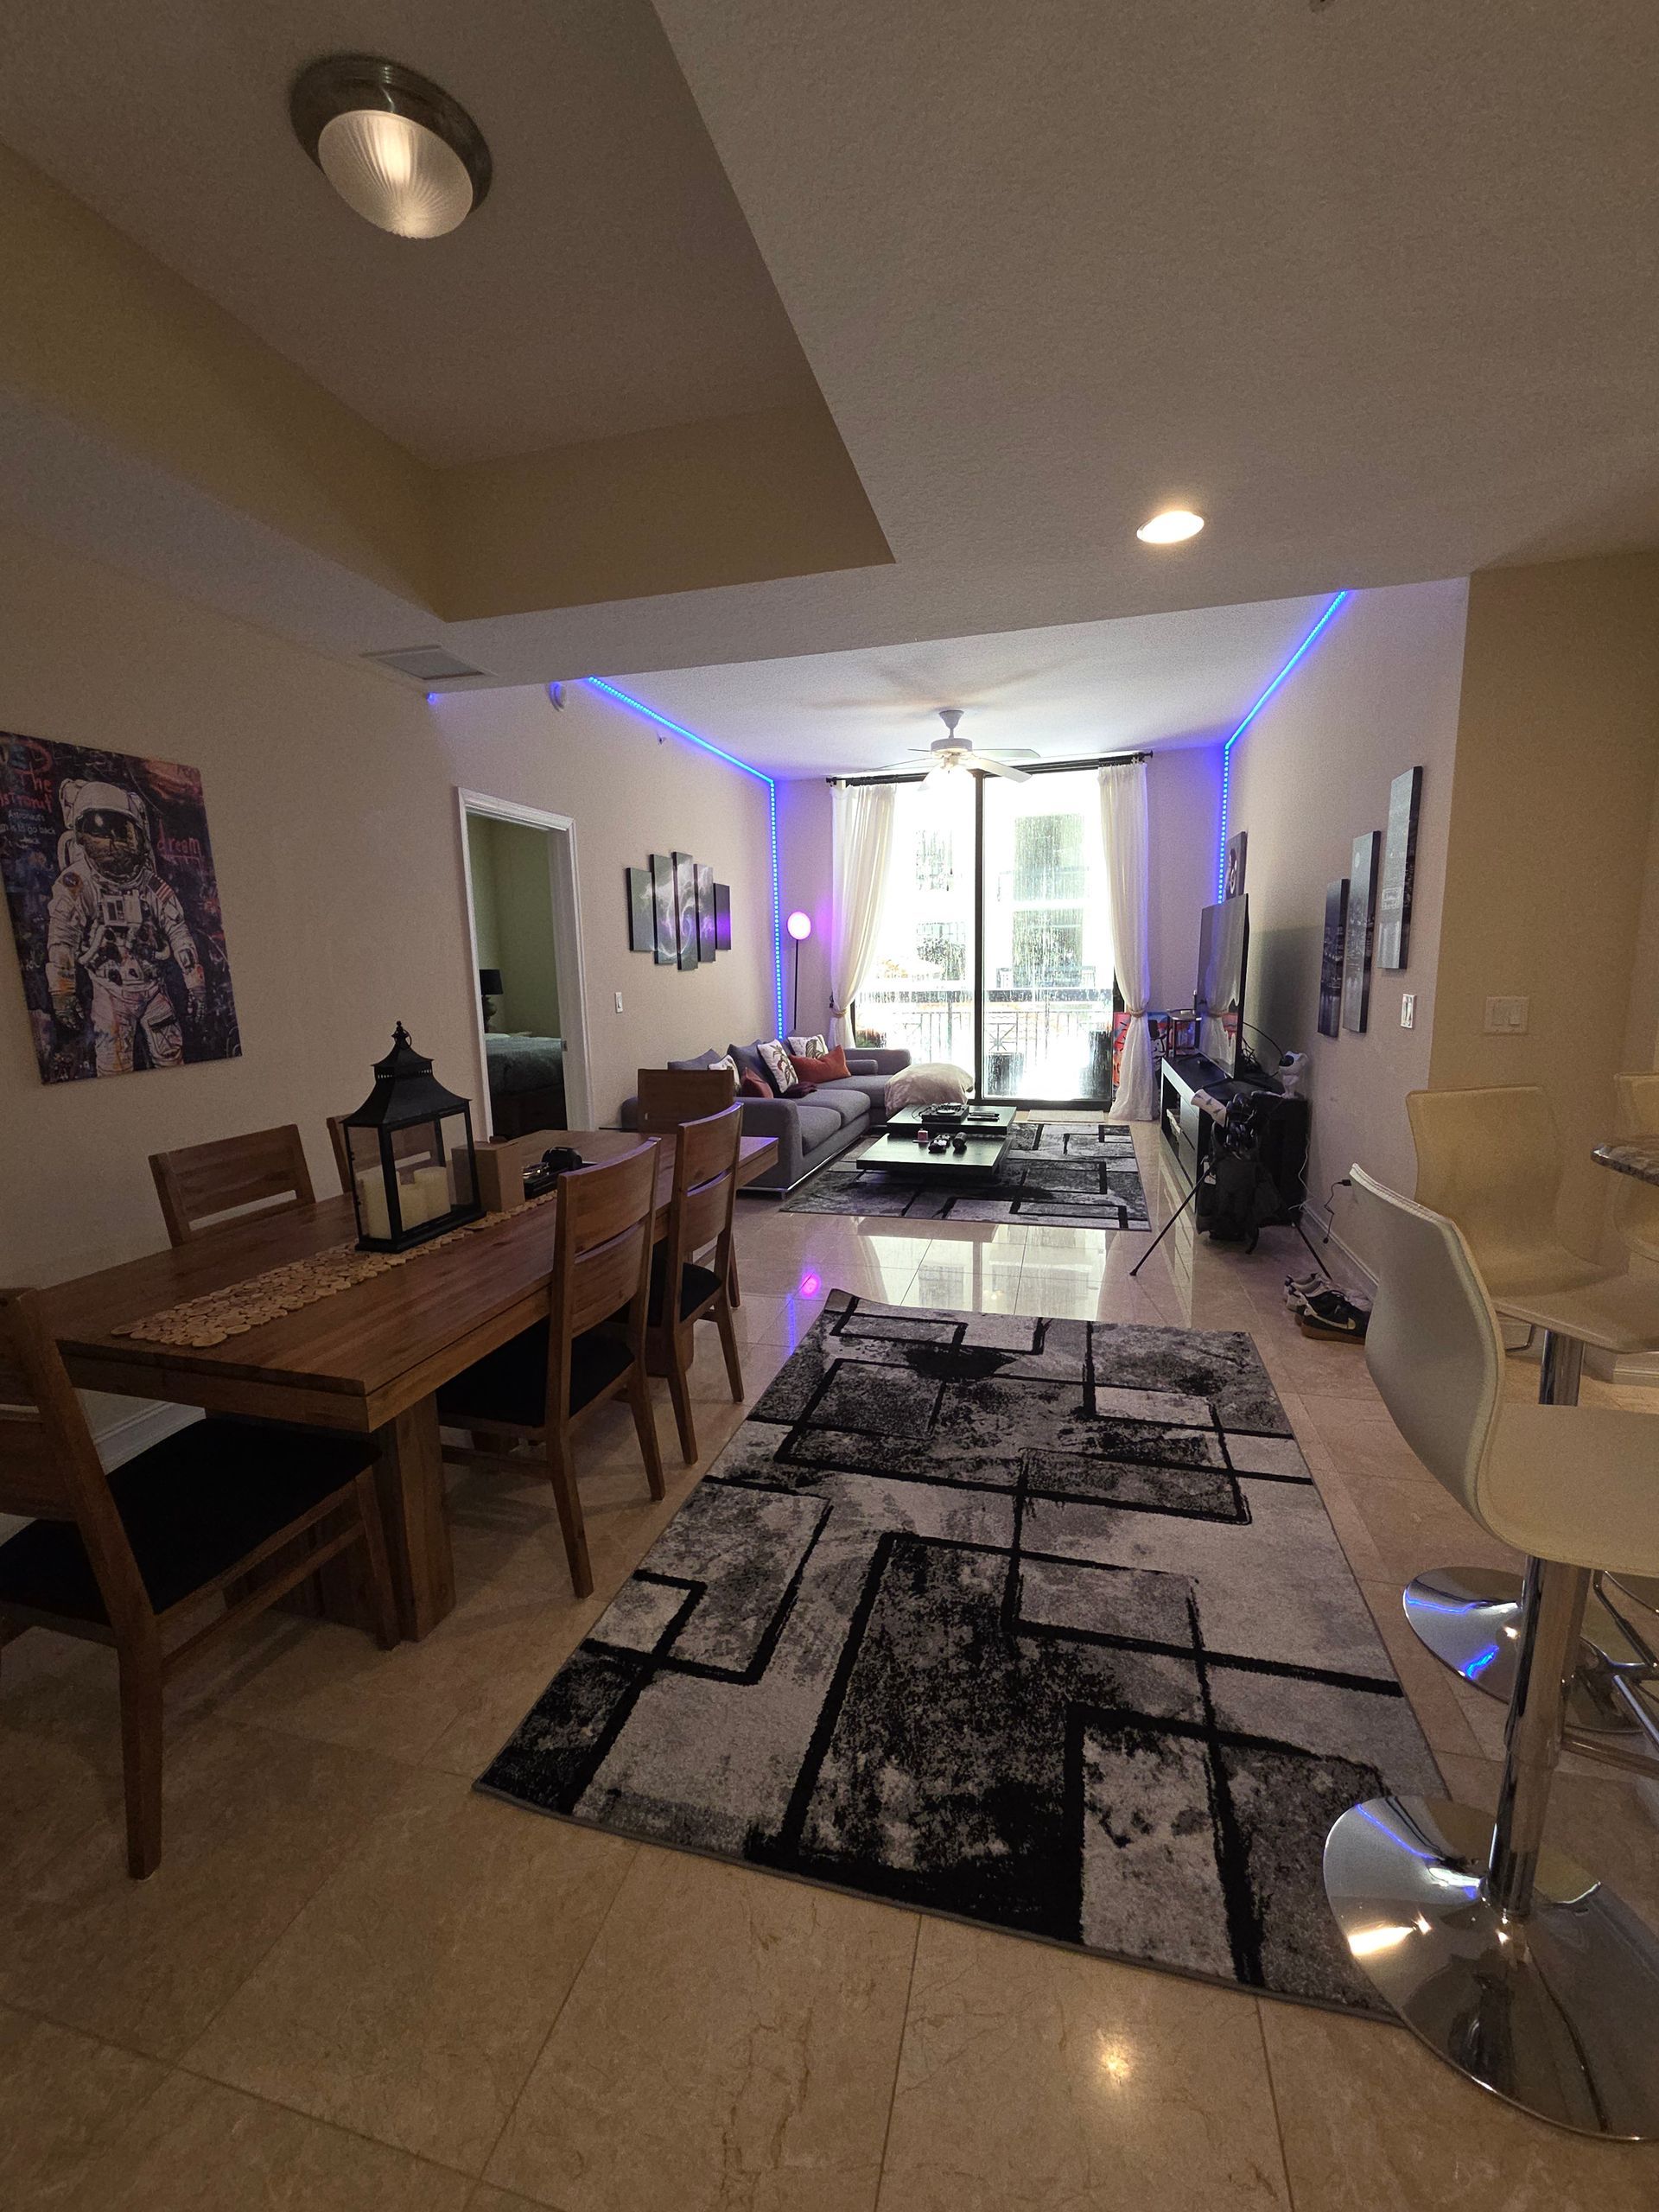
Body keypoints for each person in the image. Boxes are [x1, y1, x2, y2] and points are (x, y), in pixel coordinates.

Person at [44, 779, 204, 1076]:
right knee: (114, 1069)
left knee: (173, 1061)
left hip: (153, 988)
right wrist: (62, 992)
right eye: (102, 834)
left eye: (122, 833)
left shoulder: (149, 885)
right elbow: (62, 940)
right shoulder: (79, 885)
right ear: (82, 837)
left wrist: (195, 985)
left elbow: (179, 932)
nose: (113, 844)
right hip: (110, 992)